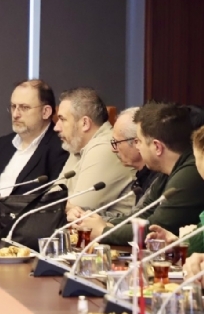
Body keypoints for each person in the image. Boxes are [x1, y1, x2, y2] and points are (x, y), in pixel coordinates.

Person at [84, 102, 204, 245]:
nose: (137, 146)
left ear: (157, 147)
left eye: (139, 141)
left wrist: (103, 231)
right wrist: (104, 225)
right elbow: (143, 214)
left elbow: (153, 228)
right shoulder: (167, 170)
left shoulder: (190, 174)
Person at [0, 80, 68, 197]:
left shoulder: (61, 147)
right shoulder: (3, 144)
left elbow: (52, 200)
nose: (15, 114)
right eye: (13, 106)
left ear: (45, 112)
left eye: (24, 107)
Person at [65, 107, 163, 221]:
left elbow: (136, 222)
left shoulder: (159, 178)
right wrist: (85, 215)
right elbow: (131, 218)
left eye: (117, 142)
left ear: (137, 142)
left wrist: (93, 221)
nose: (113, 149)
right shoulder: (142, 176)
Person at [52, 88, 135, 215]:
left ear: (85, 123)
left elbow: (78, 209)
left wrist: (62, 205)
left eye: (62, 119)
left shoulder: (106, 147)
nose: (56, 127)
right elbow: (52, 197)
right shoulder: (78, 145)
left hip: (114, 226)